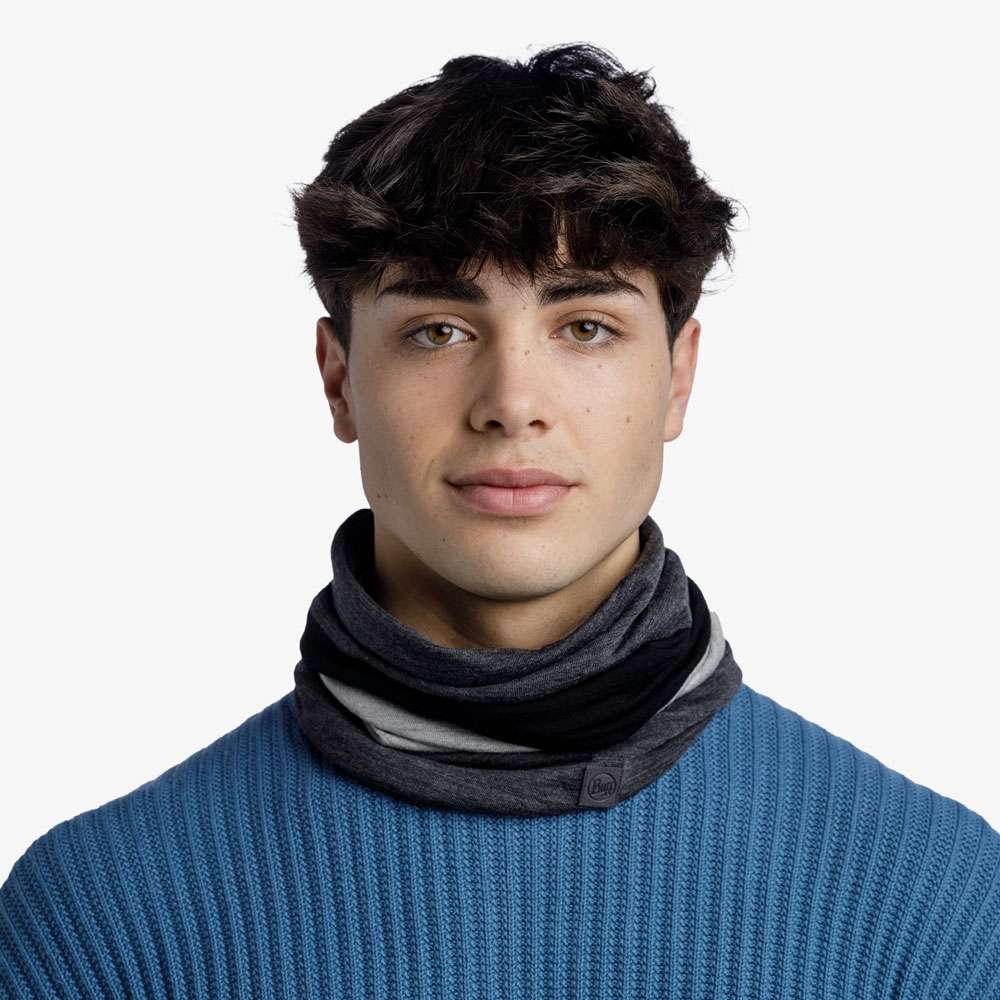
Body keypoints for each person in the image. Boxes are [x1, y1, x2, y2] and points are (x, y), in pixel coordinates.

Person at [2, 42, 998, 999]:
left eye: (585, 327)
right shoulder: (97, 924)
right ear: (339, 379)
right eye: (439, 330)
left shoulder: (939, 909)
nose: (512, 402)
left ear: (676, 377)